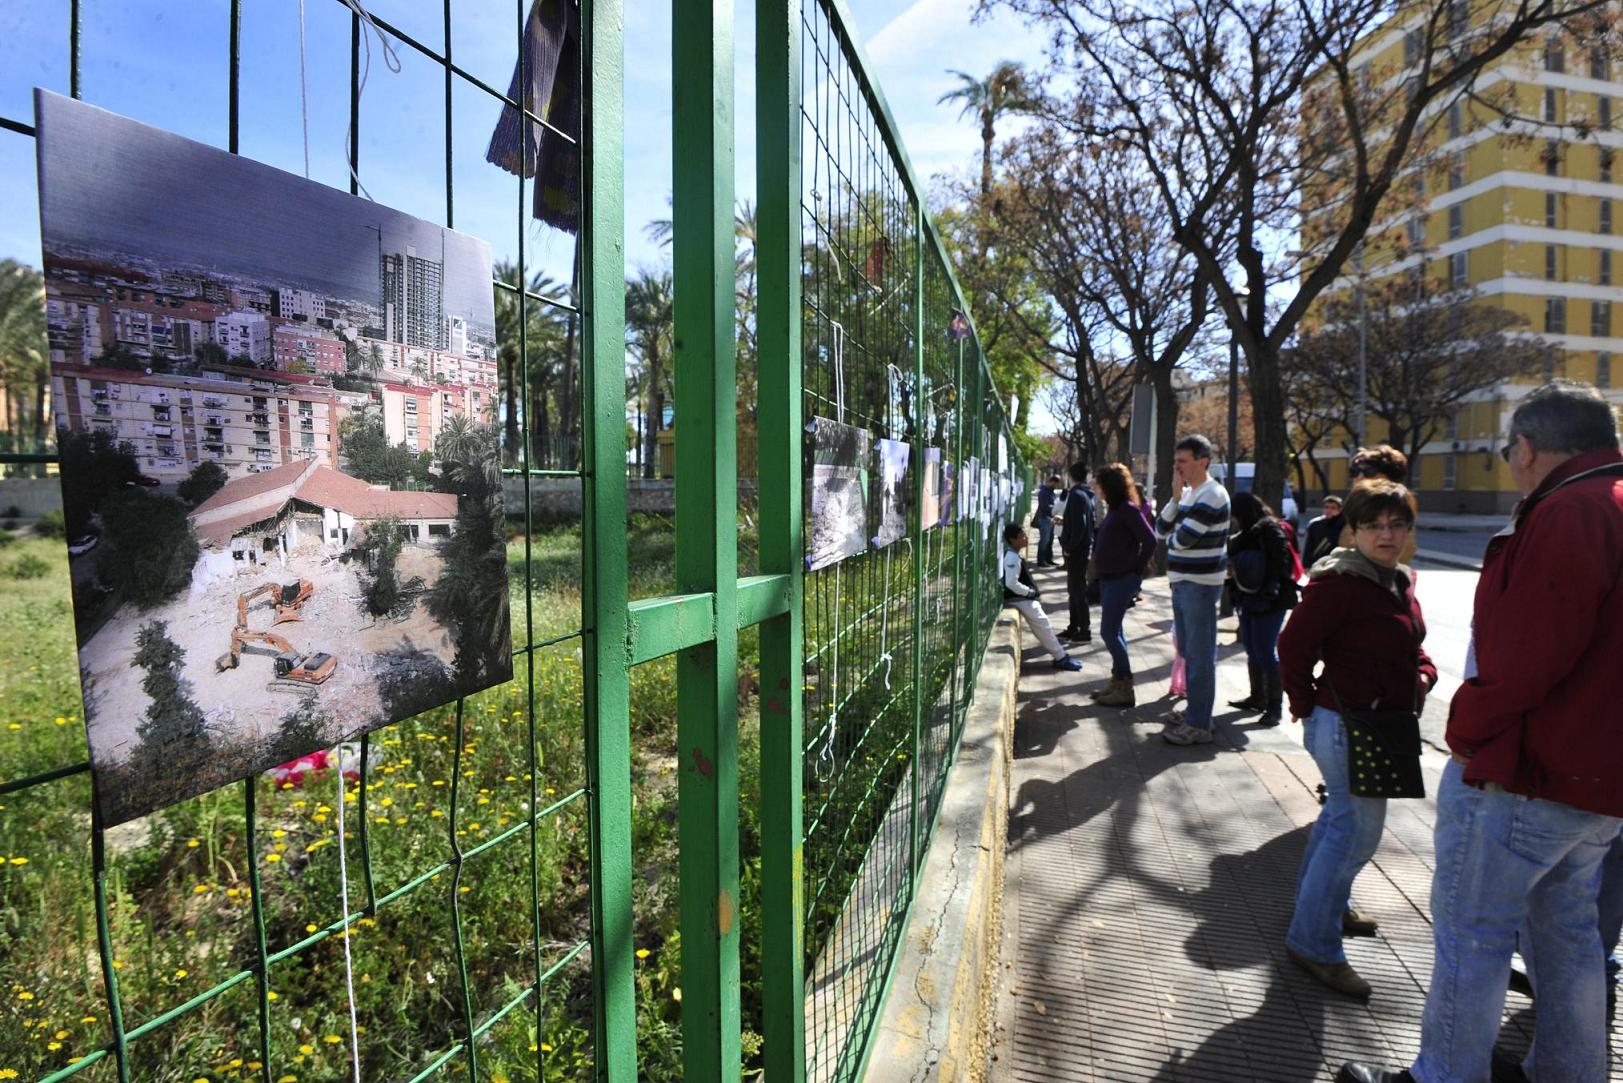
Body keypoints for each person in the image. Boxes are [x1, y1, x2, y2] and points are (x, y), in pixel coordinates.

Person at [1339, 380, 1623, 1083]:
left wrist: (1464, 727)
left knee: (1474, 930)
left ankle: (1443, 1072)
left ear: (1525, 448)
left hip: (1526, 773)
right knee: (1567, 937)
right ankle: (1567, 1070)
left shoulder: (1567, 511)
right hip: (1596, 781)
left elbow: (1530, 653)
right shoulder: (1605, 501)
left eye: (1507, 451)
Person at [1278, 481, 1436, 1000]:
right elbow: (1293, 647)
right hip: (1345, 727)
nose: (1387, 535)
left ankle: (1319, 908)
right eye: (1374, 525)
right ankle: (1314, 943)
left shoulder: (1396, 580)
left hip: (1378, 726)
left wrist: (1425, 674)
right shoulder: (1342, 582)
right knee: (1355, 834)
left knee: (1339, 823)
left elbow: (1413, 646)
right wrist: (1305, 710)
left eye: (1397, 524)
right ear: (1354, 530)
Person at [1155, 434, 1231, 746]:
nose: (1178, 467)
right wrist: (1174, 500)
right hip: (1183, 582)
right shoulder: (1188, 494)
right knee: (1188, 650)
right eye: (1176, 462)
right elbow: (1160, 529)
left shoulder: (1212, 494)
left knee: (1199, 655)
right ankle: (1195, 713)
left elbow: (1181, 541)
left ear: (1203, 461)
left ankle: (1200, 723)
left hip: (1199, 585)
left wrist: (1172, 540)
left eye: (1183, 461)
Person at [1226, 492, 1299, 725]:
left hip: (1270, 600)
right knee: (1251, 646)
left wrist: (1270, 589)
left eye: (1235, 516)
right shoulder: (1249, 532)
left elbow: (1280, 562)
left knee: (1265, 650)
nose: (1234, 521)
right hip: (1250, 599)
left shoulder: (1269, 529)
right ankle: (1257, 697)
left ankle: (1275, 708)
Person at [1089, 463, 1157, 707]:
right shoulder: (1115, 509)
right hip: (1109, 578)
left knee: (1108, 632)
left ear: (1111, 486)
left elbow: (1150, 541)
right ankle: (1117, 682)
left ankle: (1125, 686)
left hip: (1122, 579)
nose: (1097, 488)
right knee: (1115, 631)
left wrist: (1135, 569)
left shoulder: (1128, 509)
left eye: (1100, 484)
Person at [1001, 523, 1082, 672]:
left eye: (1025, 535)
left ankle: (1060, 656)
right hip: (1020, 600)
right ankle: (1061, 658)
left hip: (1022, 599)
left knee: (1043, 625)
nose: (1025, 538)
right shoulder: (1011, 557)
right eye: (1022, 536)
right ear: (1012, 540)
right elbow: (1011, 583)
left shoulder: (1014, 554)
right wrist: (1028, 592)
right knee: (1043, 625)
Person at [1056, 462, 1095, 643]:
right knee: (1074, 590)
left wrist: (1069, 547)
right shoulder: (1083, 495)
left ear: (1070, 476)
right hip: (1079, 550)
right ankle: (1074, 627)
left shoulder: (1077, 495)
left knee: (1078, 591)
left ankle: (1083, 630)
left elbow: (1080, 525)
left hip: (1077, 552)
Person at [1300, 494, 1344, 568]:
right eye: (1326, 507)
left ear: (1339, 510)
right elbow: (1308, 546)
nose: (1329, 510)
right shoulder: (1315, 524)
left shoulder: (1344, 525)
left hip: (1336, 564)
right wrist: (1306, 565)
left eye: (1333, 508)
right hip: (1317, 563)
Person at [1034, 474, 1062, 566]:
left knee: (1050, 540)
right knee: (1044, 540)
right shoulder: (1044, 492)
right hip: (1045, 518)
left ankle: (1048, 559)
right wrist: (1054, 509)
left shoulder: (1051, 492)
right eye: (1056, 484)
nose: (1056, 486)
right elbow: (1044, 506)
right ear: (1052, 482)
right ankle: (1041, 560)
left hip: (1051, 518)